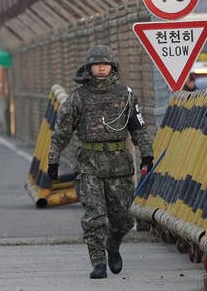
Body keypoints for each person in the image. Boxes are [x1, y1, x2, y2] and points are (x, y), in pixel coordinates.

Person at [47, 45, 154, 279]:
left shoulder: (125, 95)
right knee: (94, 216)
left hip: (119, 165)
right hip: (90, 165)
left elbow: (139, 129)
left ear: (113, 66)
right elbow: (61, 131)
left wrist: (147, 155)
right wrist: (53, 160)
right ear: (90, 68)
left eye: (106, 64)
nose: (102, 68)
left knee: (124, 219)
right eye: (97, 64)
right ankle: (98, 263)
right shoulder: (78, 98)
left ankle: (113, 244)